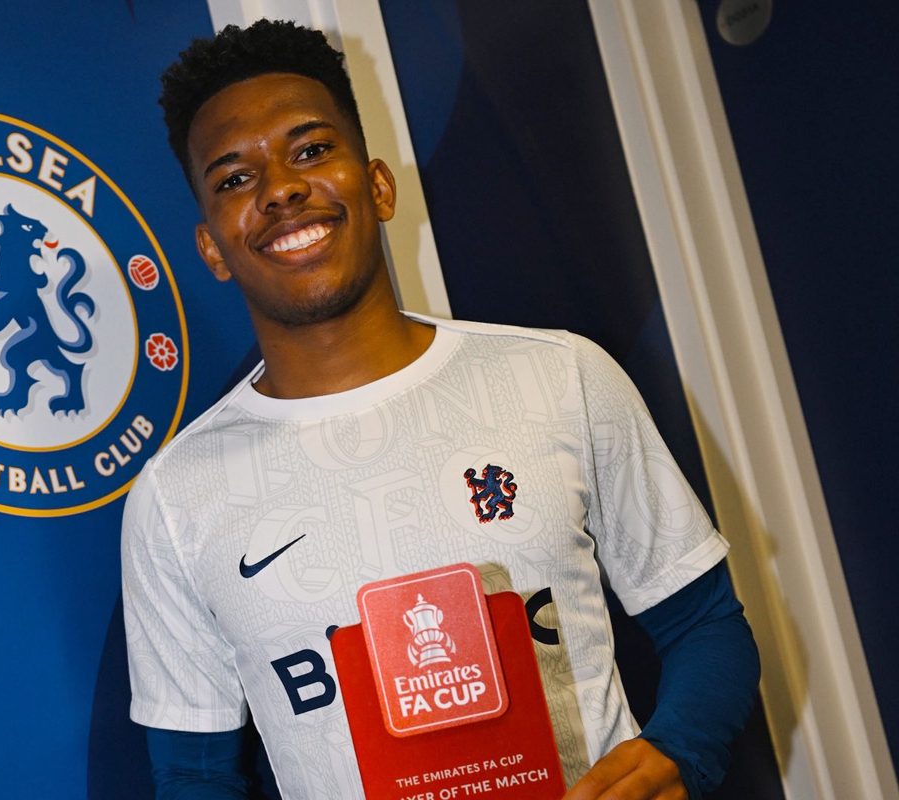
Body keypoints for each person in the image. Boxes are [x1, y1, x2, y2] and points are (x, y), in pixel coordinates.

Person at [121, 19, 759, 800]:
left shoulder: (559, 376)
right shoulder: (176, 497)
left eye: (311, 150)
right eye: (234, 179)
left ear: (379, 186)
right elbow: (193, 774)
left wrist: (678, 753)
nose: (280, 189)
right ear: (211, 248)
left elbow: (705, 625)